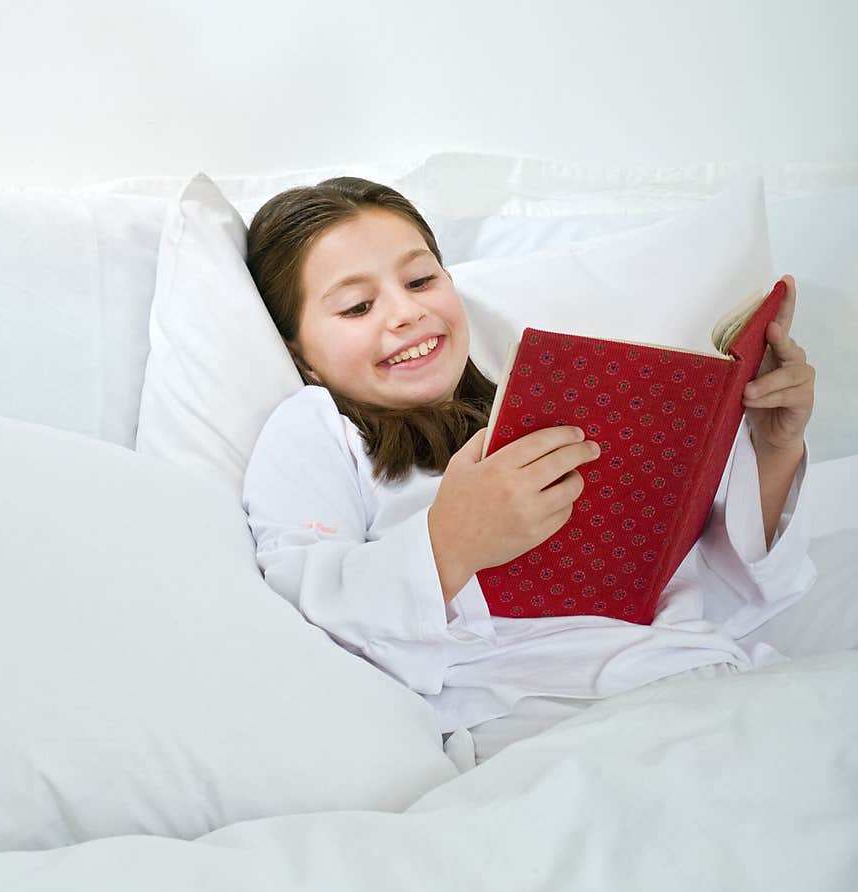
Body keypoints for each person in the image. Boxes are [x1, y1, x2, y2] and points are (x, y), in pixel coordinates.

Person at [242, 176, 817, 769]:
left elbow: (725, 590)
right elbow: (300, 606)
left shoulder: (542, 404)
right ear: (298, 354)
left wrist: (774, 449)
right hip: (544, 716)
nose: (407, 312)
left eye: (421, 280)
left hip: (699, 673)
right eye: (358, 307)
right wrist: (450, 544)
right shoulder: (315, 430)